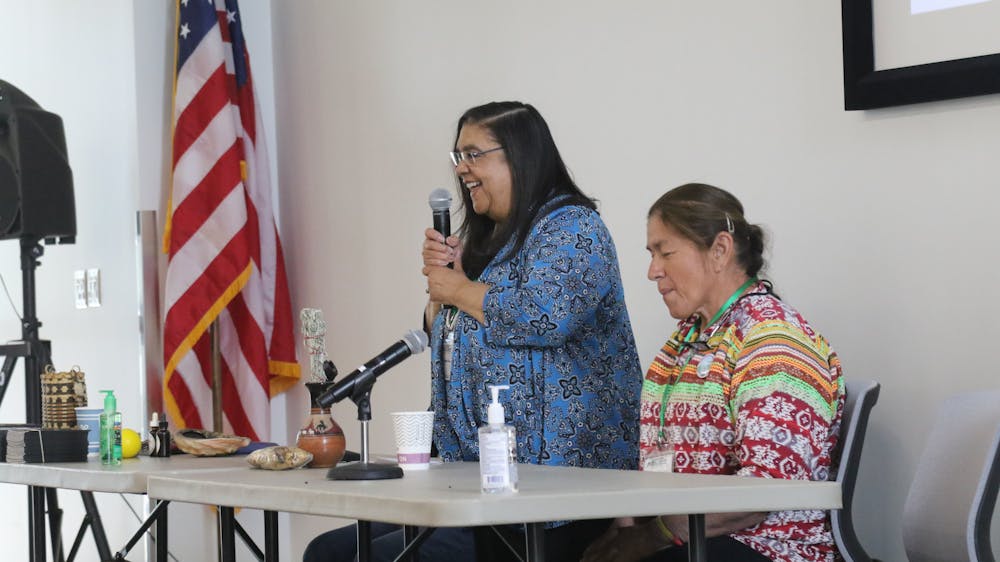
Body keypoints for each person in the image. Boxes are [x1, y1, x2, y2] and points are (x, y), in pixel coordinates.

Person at [303, 101, 642, 562]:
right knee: (330, 551)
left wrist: (460, 289)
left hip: (554, 485)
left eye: (474, 154)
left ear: (520, 156)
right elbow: (446, 331)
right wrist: (444, 291)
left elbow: (547, 316)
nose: (462, 169)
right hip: (471, 477)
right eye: (458, 156)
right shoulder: (495, 243)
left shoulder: (574, 228)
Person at [582, 183, 845, 562]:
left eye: (666, 252)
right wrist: (626, 527)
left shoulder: (774, 343)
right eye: (652, 254)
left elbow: (763, 493)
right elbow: (657, 458)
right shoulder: (686, 341)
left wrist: (651, 537)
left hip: (769, 548)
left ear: (720, 250)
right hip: (691, 538)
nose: (653, 271)